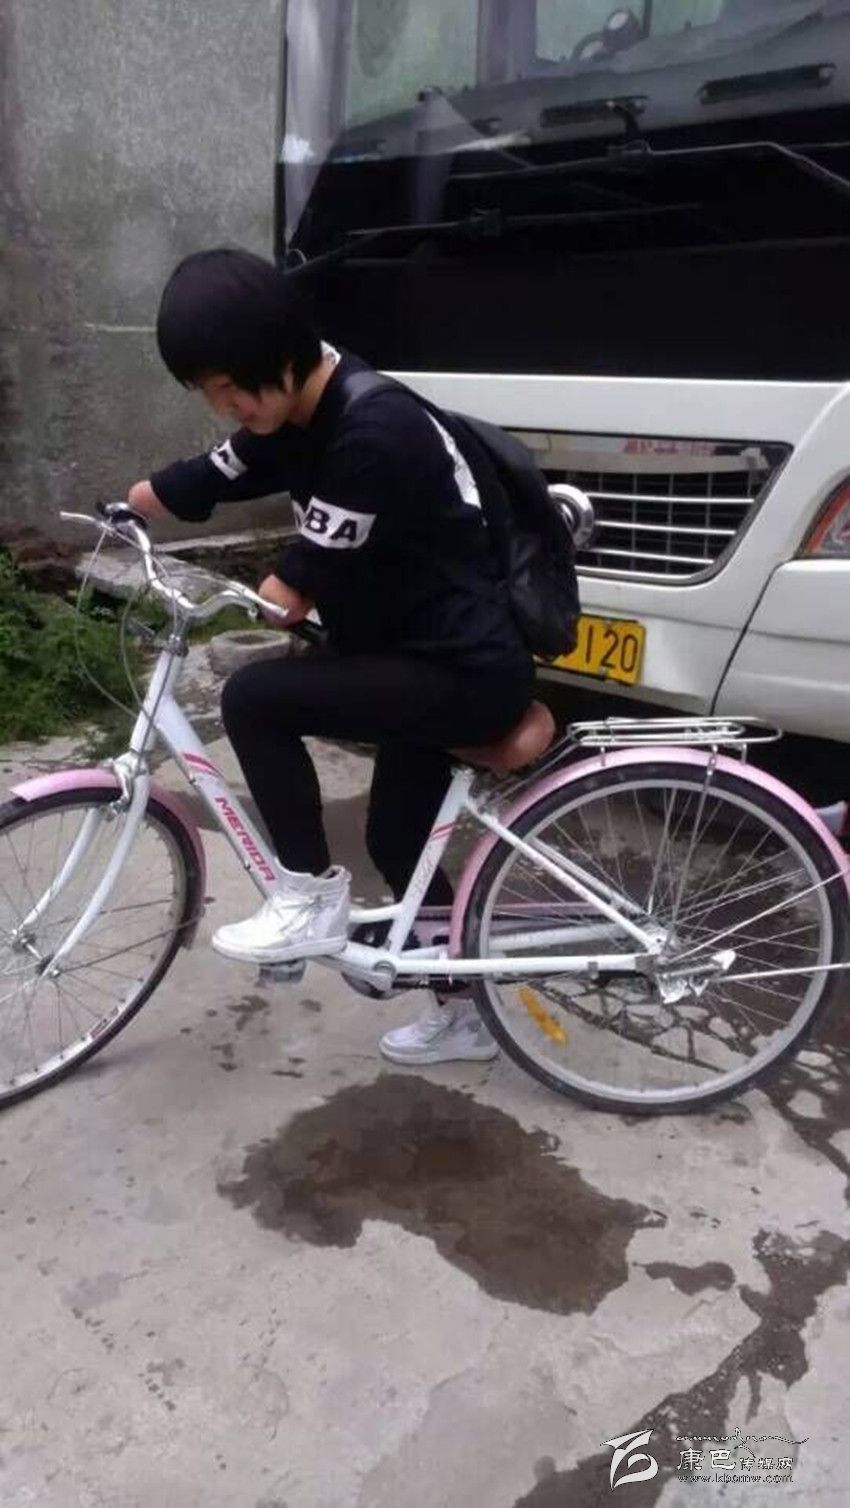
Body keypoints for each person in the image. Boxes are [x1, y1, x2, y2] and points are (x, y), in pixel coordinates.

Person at [129, 247, 535, 1064]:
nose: (226, 407)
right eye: (208, 393)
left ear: (276, 357)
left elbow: (289, 593)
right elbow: (213, 474)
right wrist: (128, 506)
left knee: (255, 700)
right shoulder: (295, 412)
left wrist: (265, 595)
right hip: (423, 661)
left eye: (228, 387)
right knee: (396, 839)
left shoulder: (372, 431)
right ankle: (465, 1014)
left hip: (463, 672)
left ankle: (307, 895)